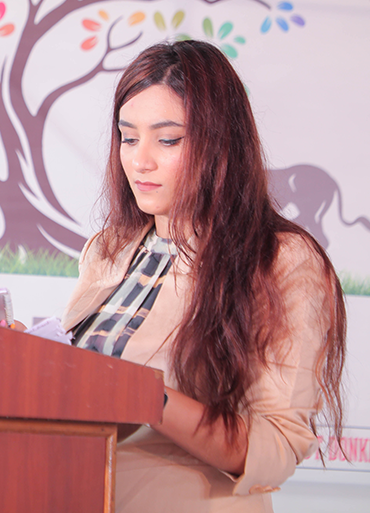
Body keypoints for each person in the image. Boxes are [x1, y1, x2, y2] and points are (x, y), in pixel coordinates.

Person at [60, 40, 346, 512]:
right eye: (128, 137)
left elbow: (274, 446)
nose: (141, 160)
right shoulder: (107, 248)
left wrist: (146, 396)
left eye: (168, 140)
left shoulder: (280, 259)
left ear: (220, 143)